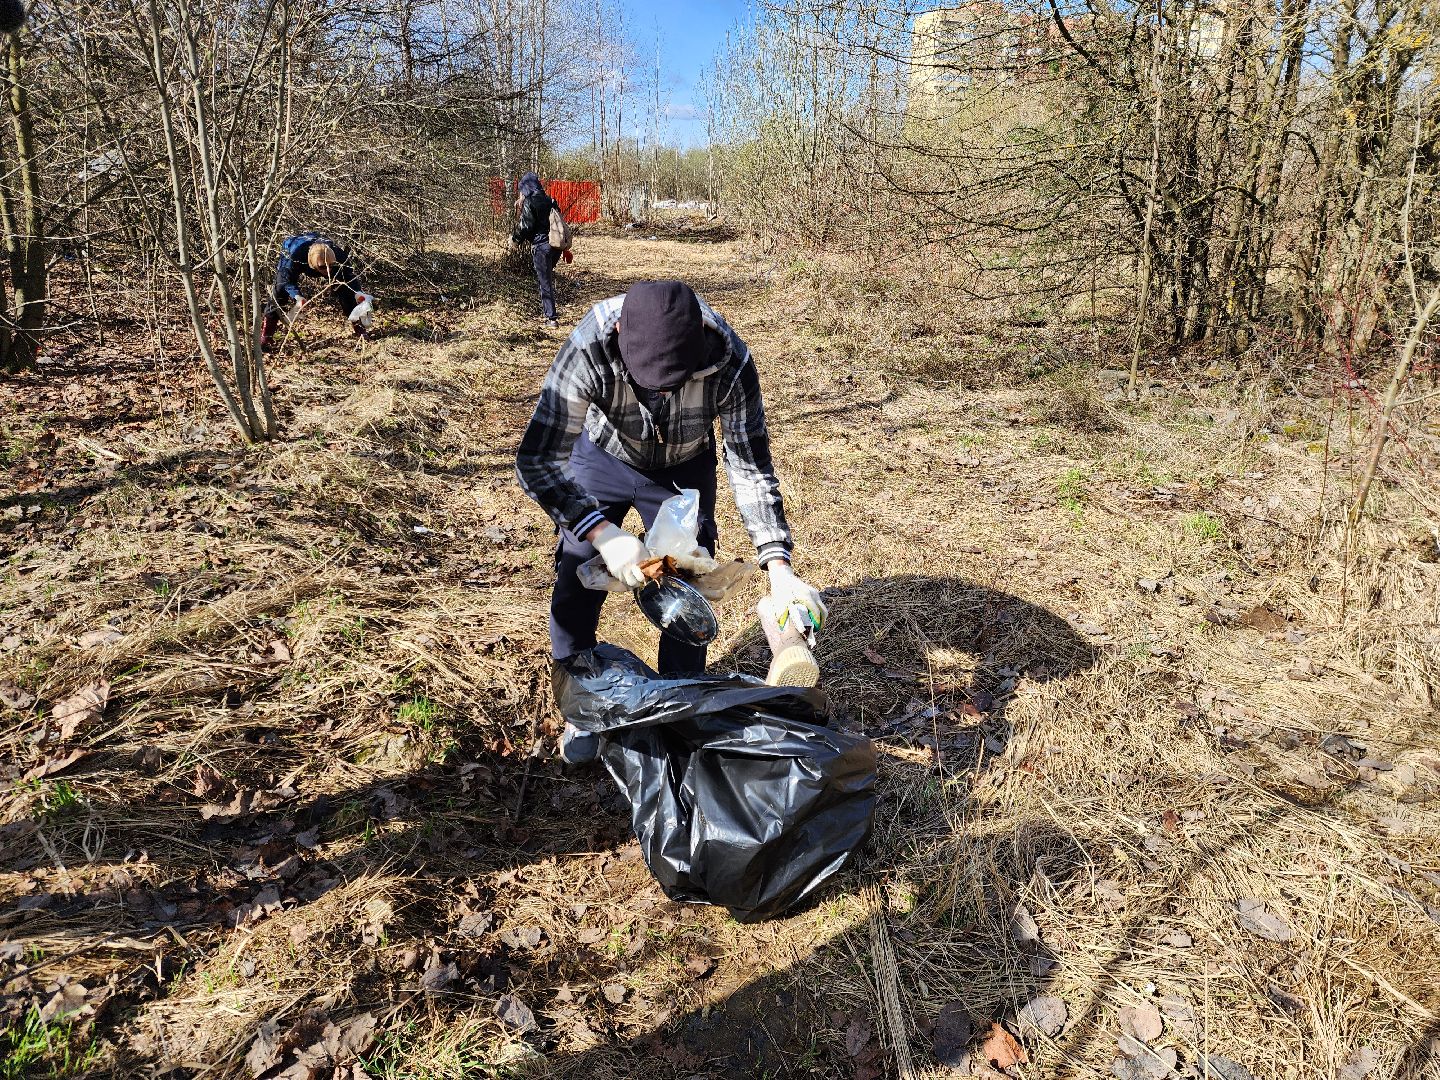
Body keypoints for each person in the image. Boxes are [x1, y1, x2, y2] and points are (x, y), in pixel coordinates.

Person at [515, 279, 828, 763]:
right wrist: (603, 533)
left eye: (676, 380)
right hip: (604, 457)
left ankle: (679, 701)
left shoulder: (730, 360)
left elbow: (749, 464)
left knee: (689, 579)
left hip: (684, 464)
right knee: (578, 570)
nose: (661, 391)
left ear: (701, 337)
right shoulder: (589, 346)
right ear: (619, 333)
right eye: (648, 381)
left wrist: (779, 566)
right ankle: (581, 707)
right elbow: (537, 460)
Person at [260, 231, 372, 352]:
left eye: (331, 266)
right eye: (323, 267)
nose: (328, 271)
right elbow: (286, 281)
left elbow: (350, 279)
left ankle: (360, 329)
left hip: (318, 246)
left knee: (345, 292)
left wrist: (358, 293)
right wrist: (297, 296)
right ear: (312, 264)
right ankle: (266, 336)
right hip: (294, 250)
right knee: (279, 293)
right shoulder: (292, 258)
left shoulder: (339, 256)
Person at [511, 172, 568, 329]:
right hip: (555, 247)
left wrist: (515, 240)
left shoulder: (530, 201)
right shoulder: (550, 200)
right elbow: (559, 222)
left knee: (545, 283)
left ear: (526, 188)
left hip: (541, 247)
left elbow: (526, 226)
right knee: (547, 279)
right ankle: (550, 312)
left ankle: (552, 318)